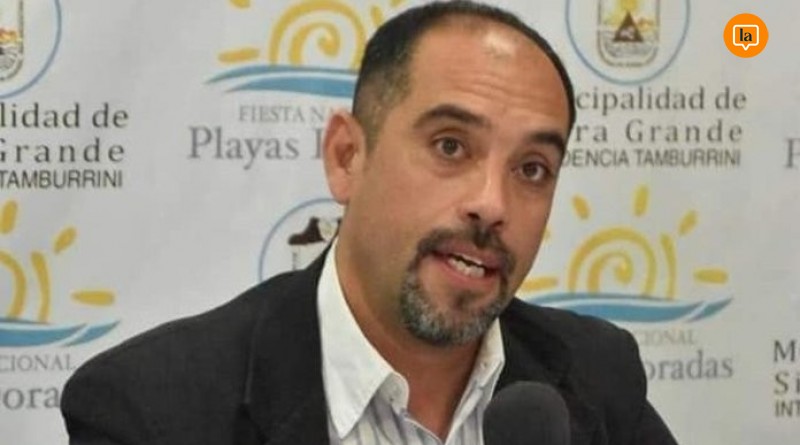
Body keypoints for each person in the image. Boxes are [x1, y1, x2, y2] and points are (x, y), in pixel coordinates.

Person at [61, 1, 678, 444]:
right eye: (450, 146)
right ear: (347, 157)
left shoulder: (596, 374)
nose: (492, 203)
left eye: (532, 169)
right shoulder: (152, 410)